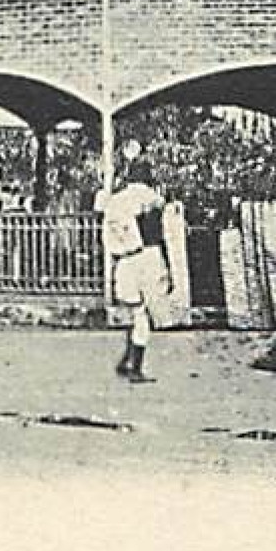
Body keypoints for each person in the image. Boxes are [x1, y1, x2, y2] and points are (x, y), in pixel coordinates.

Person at [100, 161, 169, 384]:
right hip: (145, 256)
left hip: (123, 260)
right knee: (143, 314)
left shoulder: (115, 200)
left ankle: (126, 360)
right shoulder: (149, 196)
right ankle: (135, 367)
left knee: (134, 311)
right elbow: (161, 209)